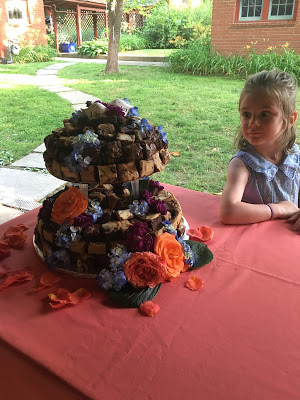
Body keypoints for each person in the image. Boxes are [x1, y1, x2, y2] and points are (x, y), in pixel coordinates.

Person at [220, 69, 300, 229]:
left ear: (289, 119)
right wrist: (279, 209)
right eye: (247, 114)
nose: (252, 123)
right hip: (251, 244)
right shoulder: (241, 165)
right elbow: (228, 211)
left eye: (264, 114)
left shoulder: (296, 159)